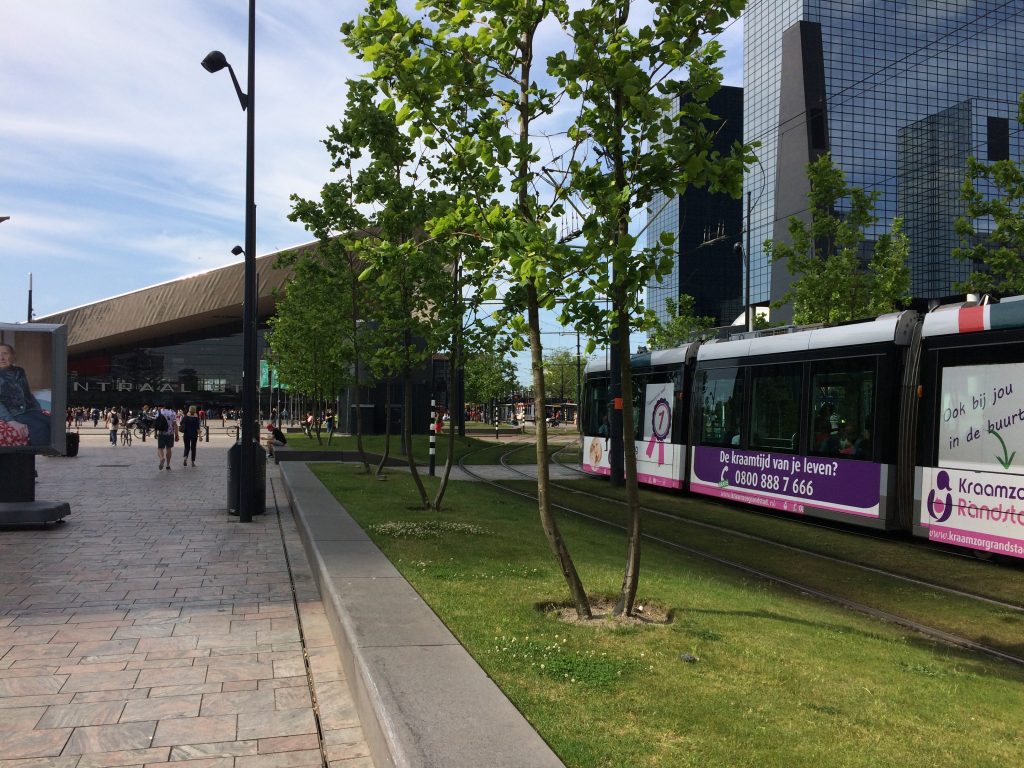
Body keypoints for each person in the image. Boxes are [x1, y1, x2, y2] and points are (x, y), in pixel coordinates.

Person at [0, 342, 51, 447]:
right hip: (13, 412)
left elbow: (27, 392)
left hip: (29, 410)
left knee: (51, 422)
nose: (2, 358)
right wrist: (10, 421)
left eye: (5, 353)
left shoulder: (20, 371)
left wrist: (37, 409)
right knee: (39, 427)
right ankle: (39, 450)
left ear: (13, 356)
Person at [152, 402, 179, 471]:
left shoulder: (160, 411)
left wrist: (155, 433)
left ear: (164, 406)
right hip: (170, 433)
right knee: (169, 448)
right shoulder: (173, 412)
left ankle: (161, 458)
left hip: (161, 433)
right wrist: (176, 435)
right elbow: (175, 424)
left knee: (160, 448)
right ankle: (168, 465)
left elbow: (156, 423)